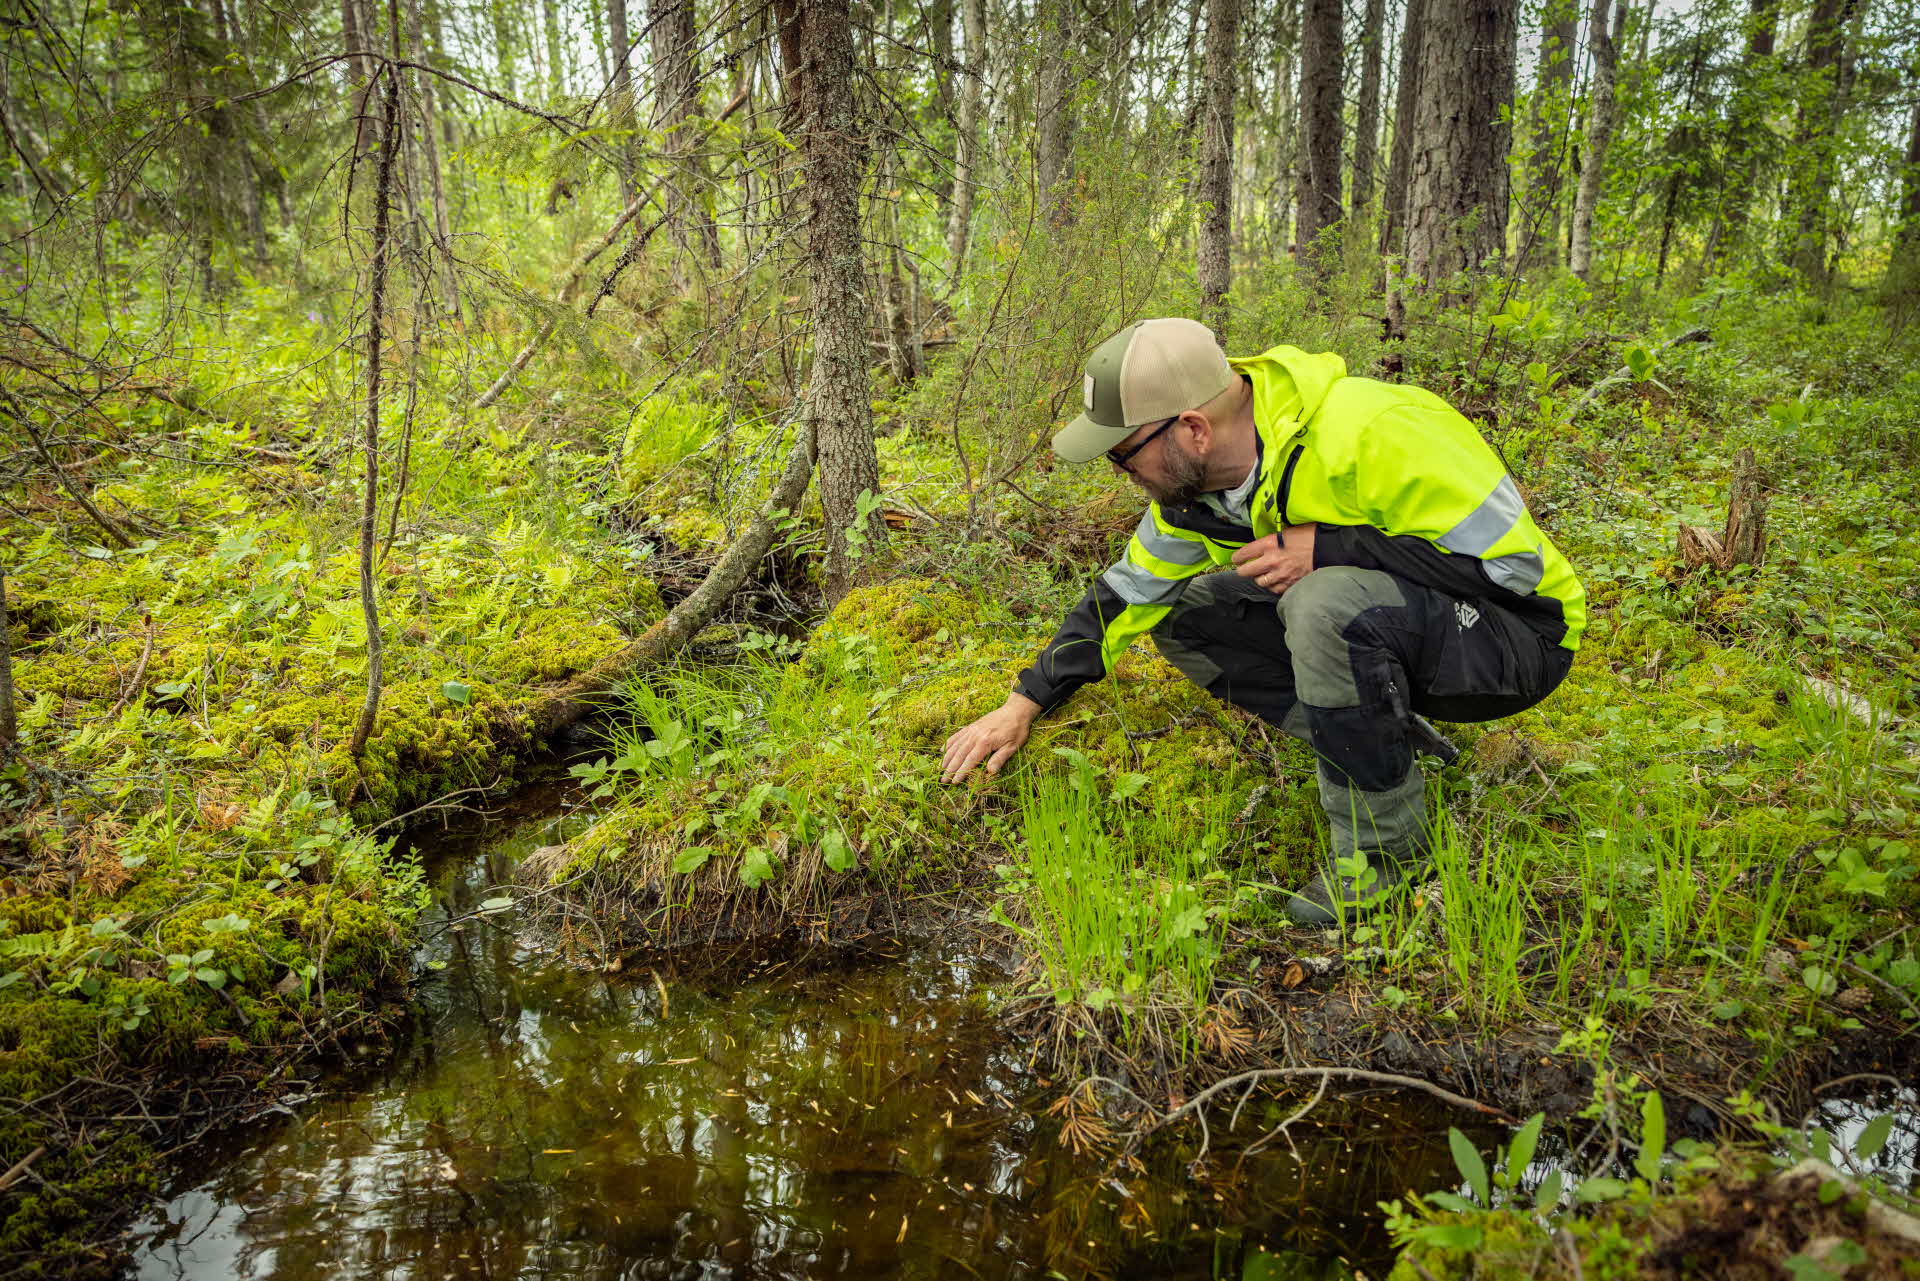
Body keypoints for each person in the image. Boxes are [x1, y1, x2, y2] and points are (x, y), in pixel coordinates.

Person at [939, 318, 1586, 924]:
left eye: (1123, 457)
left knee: (1319, 601)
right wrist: (1023, 701)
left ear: (1192, 429)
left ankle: (1385, 857)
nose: (1122, 476)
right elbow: (1126, 594)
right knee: (1188, 616)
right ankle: (1383, 743)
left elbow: (1514, 574)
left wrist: (1332, 547)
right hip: (1414, 628)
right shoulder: (1202, 498)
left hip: (1518, 640)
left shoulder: (1376, 429)